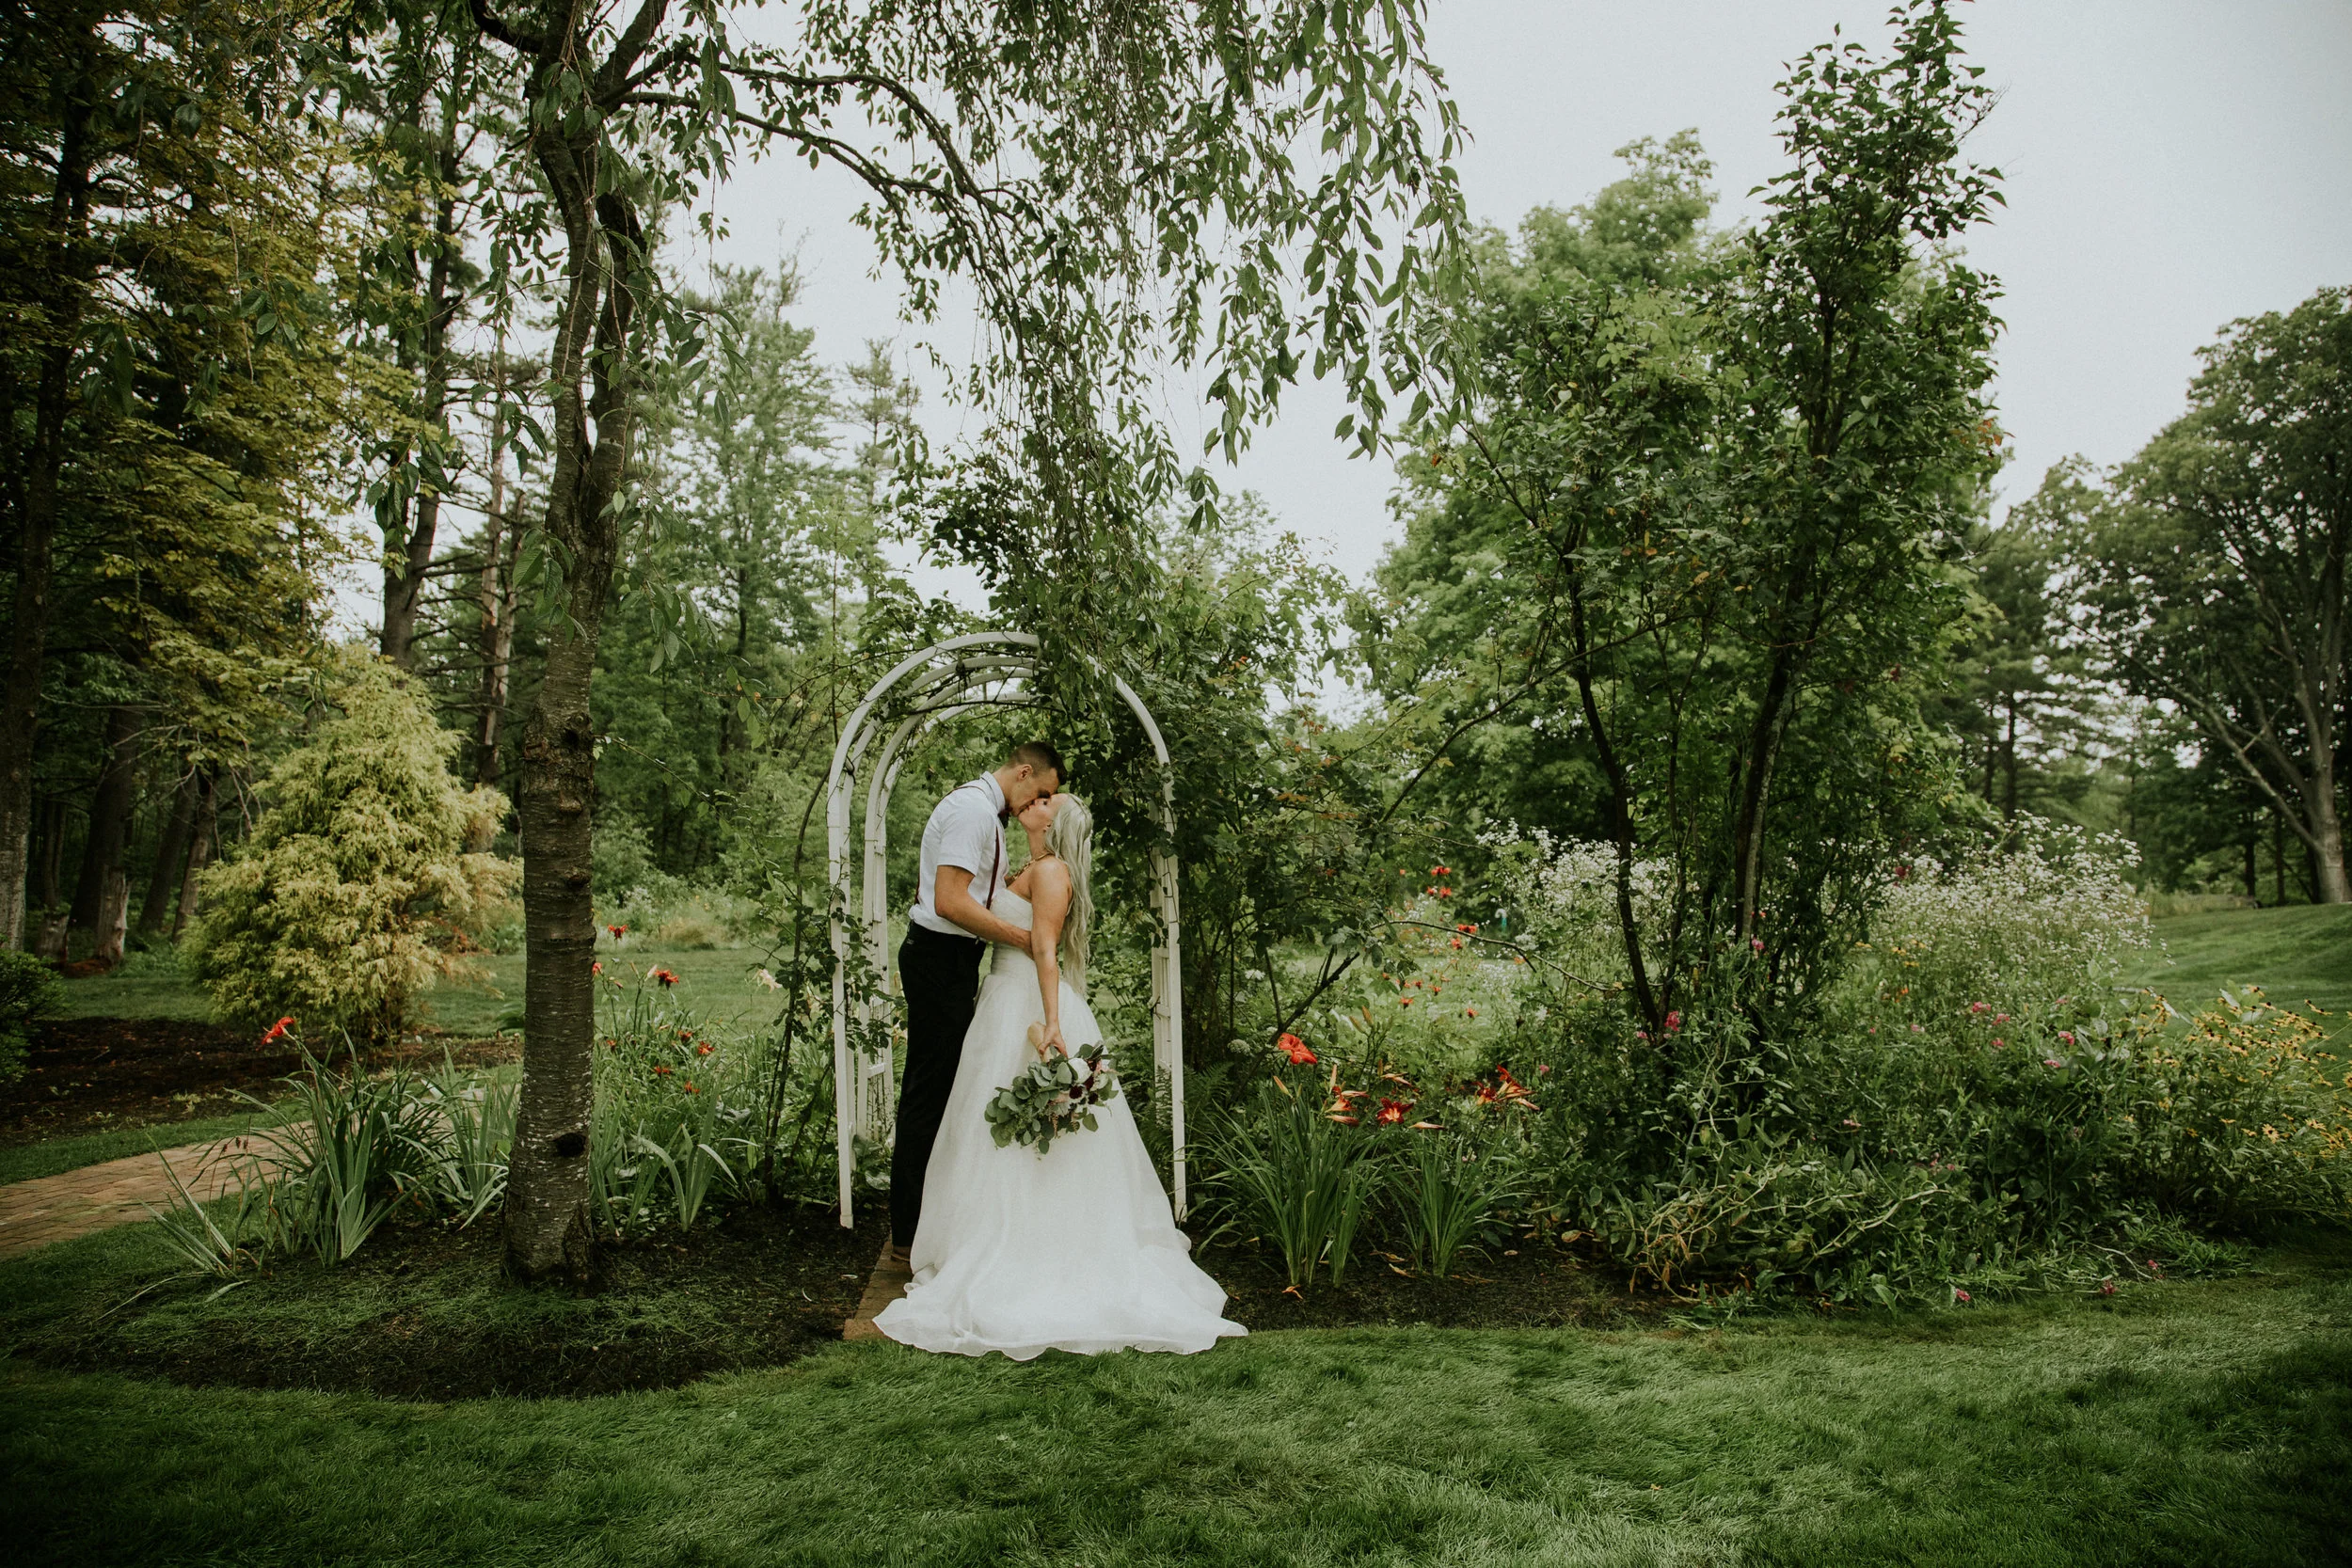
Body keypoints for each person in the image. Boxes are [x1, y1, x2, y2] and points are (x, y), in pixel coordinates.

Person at [876, 788, 1246, 1358]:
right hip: (1000, 1000)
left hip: (1025, 1004)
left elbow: (1045, 952)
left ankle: (1034, 1247)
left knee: (1028, 1132)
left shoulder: (1052, 873)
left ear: (1060, 821)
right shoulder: (1030, 865)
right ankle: (978, 1235)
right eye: (1038, 793)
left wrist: (1050, 1024)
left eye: (1049, 800)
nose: (1035, 801)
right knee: (986, 1129)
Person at [888, 741, 1062, 1261]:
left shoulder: (984, 813)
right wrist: (1021, 938)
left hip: (949, 960)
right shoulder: (973, 811)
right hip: (939, 958)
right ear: (1025, 772)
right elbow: (949, 900)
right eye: (1044, 792)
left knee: (943, 1090)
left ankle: (926, 1221)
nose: (1040, 803)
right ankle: (909, 1233)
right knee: (930, 1091)